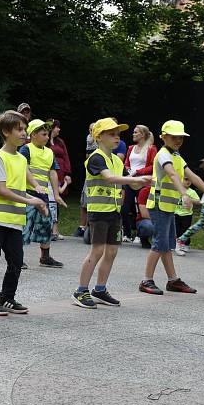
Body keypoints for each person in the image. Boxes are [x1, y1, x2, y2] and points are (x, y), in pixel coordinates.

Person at [72, 118, 152, 309]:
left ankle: (99, 289)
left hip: (114, 212)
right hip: (99, 212)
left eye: (118, 134)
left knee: (112, 251)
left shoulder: (116, 160)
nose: (117, 138)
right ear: (98, 137)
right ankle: (80, 290)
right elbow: (109, 178)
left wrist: (144, 181)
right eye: (111, 134)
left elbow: (128, 181)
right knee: (97, 251)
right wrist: (137, 179)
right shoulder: (96, 157)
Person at [0, 111, 48, 315]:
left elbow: (23, 182)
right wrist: (31, 200)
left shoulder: (20, 158)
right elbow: (2, 190)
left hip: (14, 219)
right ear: (6, 132)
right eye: (20, 129)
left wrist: (37, 196)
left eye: (25, 129)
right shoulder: (0, 157)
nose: (24, 133)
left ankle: (7, 297)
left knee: (16, 262)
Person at [139, 120, 204, 296]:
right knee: (160, 243)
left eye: (181, 138)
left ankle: (173, 280)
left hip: (168, 206)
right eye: (174, 137)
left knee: (167, 244)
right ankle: (146, 280)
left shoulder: (176, 156)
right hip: (159, 205)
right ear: (164, 137)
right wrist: (184, 193)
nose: (178, 141)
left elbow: (194, 177)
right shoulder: (163, 155)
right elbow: (172, 174)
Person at [20, 119, 67, 268]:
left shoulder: (49, 152)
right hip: (27, 194)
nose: (48, 137)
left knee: (46, 225)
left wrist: (56, 194)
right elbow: (24, 169)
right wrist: (35, 185)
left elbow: (52, 173)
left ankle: (45, 257)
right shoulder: (25, 149)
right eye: (44, 134)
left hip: (43, 195)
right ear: (33, 134)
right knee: (24, 226)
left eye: (48, 134)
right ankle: (17, 257)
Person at [121, 125, 156, 240]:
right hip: (130, 180)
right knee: (124, 208)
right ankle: (127, 233)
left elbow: (153, 166)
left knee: (140, 209)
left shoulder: (151, 148)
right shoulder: (131, 148)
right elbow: (126, 162)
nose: (133, 134)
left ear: (143, 135)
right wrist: (128, 170)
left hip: (143, 182)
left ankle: (140, 235)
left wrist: (138, 171)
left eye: (136, 132)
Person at [75, 122, 99, 238]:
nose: (91, 132)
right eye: (90, 129)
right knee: (84, 202)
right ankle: (82, 227)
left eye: (93, 129)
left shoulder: (101, 141)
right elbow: (87, 157)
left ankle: (92, 226)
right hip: (89, 175)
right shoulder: (89, 140)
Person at [173, 177, 201, 246]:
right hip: (176, 213)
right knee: (176, 230)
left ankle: (186, 244)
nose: (188, 182)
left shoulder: (191, 192)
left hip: (187, 215)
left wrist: (190, 200)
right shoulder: (176, 189)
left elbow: (198, 202)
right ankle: (177, 244)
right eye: (186, 179)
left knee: (185, 230)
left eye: (190, 180)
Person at [48, 119, 72, 197]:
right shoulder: (44, 142)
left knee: (60, 193)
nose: (59, 129)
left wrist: (67, 173)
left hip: (61, 170)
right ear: (52, 128)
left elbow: (66, 157)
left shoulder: (60, 142)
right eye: (57, 127)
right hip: (50, 170)